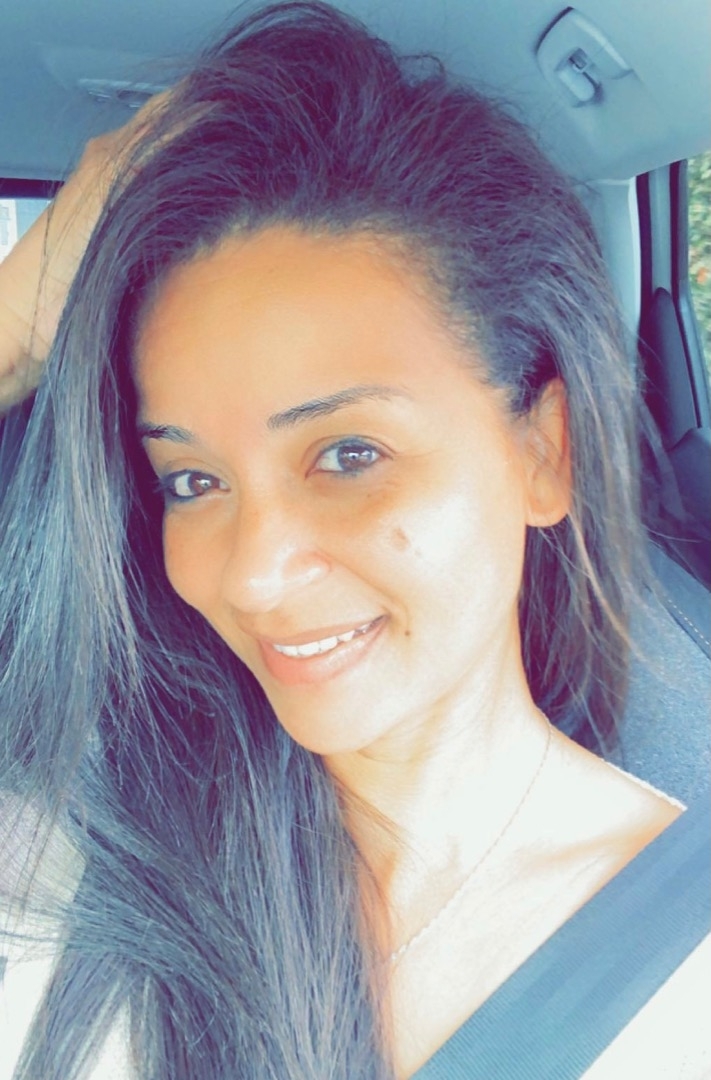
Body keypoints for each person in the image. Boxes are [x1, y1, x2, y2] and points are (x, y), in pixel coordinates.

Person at [0, 3, 708, 1078]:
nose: (253, 573)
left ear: (543, 451)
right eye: (192, 481)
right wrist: (21, 319)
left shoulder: (682, 958)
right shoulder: (73, 857)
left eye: (346, 454)